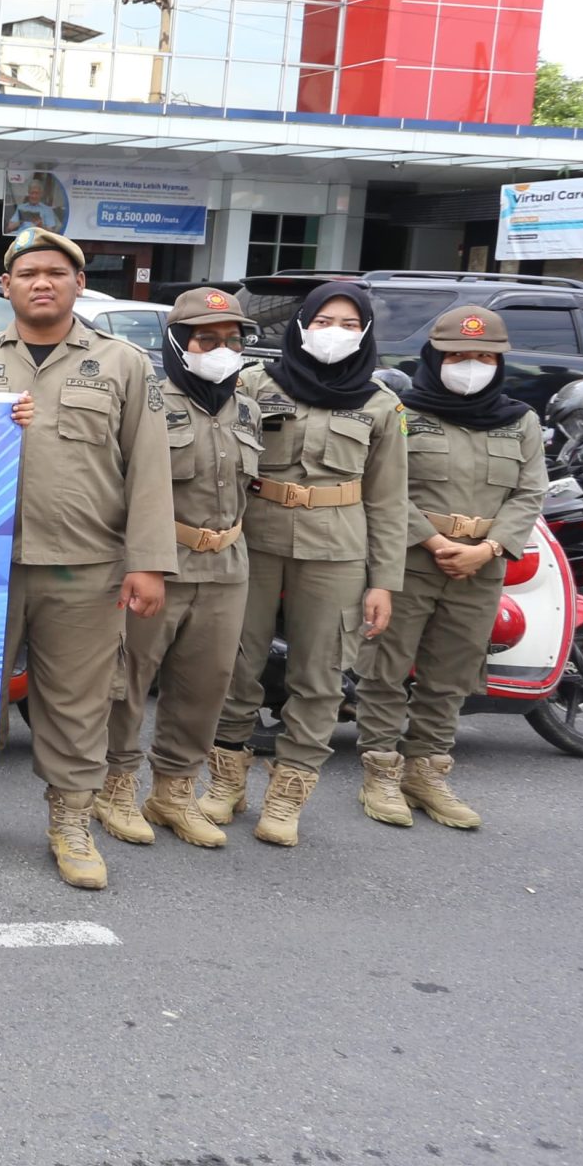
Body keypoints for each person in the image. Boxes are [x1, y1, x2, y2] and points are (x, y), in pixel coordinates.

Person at [0, 227, 173, 890]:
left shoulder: (124, 364)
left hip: (84, 565)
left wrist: (147, 561)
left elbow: (148, 466)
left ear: (78, 285)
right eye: (28, 272)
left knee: (77, 701)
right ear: (5, 286)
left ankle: (70, 818)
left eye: (56, 273)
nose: (42, 282)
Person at [205, 281, 408, 847]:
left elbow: (390, 500)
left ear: (365, 333)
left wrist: (384, 583)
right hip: (255, 538)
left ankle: (289, 791)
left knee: (318, 675)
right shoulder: (253, 383)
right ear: (301, 326)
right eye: (324, 321)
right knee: (234, 662)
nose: (334, 333)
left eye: (348, 324)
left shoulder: (381, 406)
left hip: (337, 549)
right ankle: (225, 779)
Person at [349, 307, 544, 831]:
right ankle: (381, 772)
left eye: (483, 356)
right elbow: (383, 485)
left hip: (481, 567)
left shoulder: (519, 420)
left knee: (451, 676)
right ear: (435, 357)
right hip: (410, 558)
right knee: (385, 668)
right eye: (458, 355)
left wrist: (490, 547)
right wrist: (433, 539)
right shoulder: (402, 411)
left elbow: (530, 493)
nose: (470, 365)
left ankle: (426, 772)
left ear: (500, 362)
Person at [101, 287, 260, 851]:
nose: (220, 349)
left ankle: (173, 790)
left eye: (231, 339)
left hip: (227, 566)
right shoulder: (145, 400)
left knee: (205, 685)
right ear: (176, 341)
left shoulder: (246, 405)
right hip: (158, 562)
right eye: (206, 339)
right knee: (128, 681)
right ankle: (114, 786)